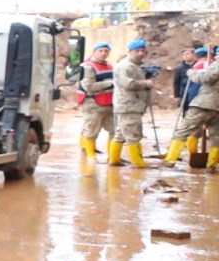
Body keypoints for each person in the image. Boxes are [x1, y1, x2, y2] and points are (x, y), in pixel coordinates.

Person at [164, 50, 219, 168]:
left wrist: (191, 73)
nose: (216, 56)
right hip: (216, 107)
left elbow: (206, 78)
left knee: (183, 130)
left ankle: (170, 161)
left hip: (205, 104)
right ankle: (212, 165)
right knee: (216, 136)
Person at [109, 39, 155, 168]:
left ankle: (114, 160)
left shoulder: (136, 65)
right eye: (137, 51)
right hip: (129, 104)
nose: (141, 53)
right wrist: (147, 83)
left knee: (121, 133)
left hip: (130, 104)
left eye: (143, 51)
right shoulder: (126, 66)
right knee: (133, 133)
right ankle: (138, 163)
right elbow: (127, 83)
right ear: (129, 52)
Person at [77, 41, 114, 162]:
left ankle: (112, 157)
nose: (104, 53)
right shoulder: (87, 67)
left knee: (115, 130)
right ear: (94, 52)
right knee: (91, 130)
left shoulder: (108, 65)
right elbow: (89, 86)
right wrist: (109, 84)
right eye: (101, 51)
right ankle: (90, 157)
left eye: (106, 51)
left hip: (107, 102)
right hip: (91, 102)